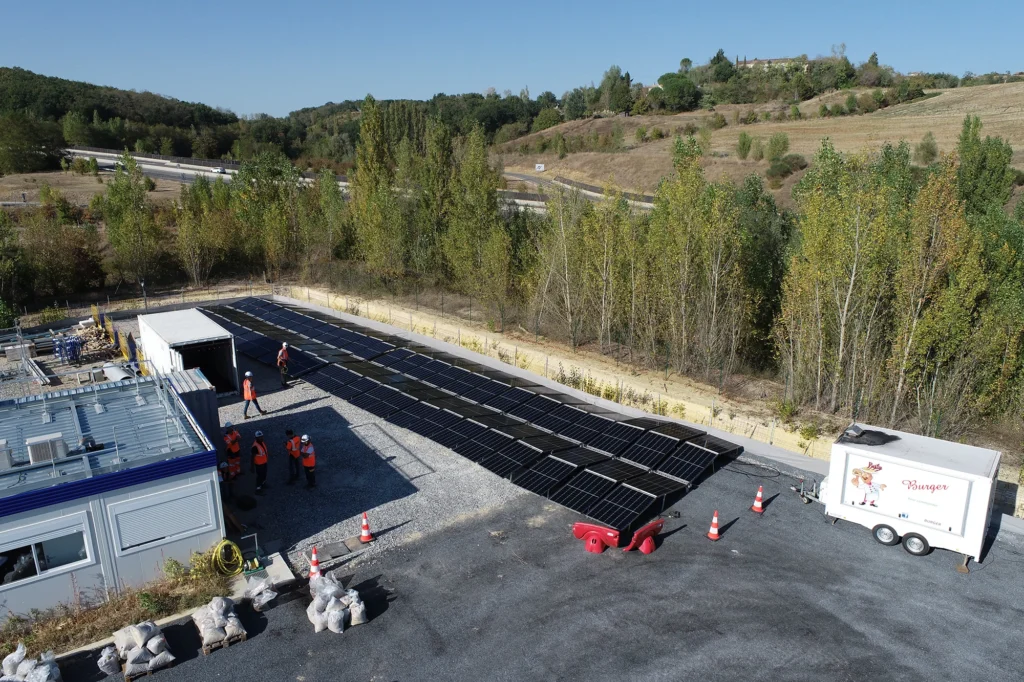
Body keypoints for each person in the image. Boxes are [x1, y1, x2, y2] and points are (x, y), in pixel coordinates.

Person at [251, 431, 269, 495]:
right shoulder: (255, 447)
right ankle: (258, 489)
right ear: (256, 438)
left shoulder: (262, 442)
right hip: (259, 464)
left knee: (264, 474)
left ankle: (263, 484)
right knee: (260, 476)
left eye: (261, 436)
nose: (261, 438)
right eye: (259, 437)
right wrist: (252, 467)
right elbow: (252, 457)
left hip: (264, 462)